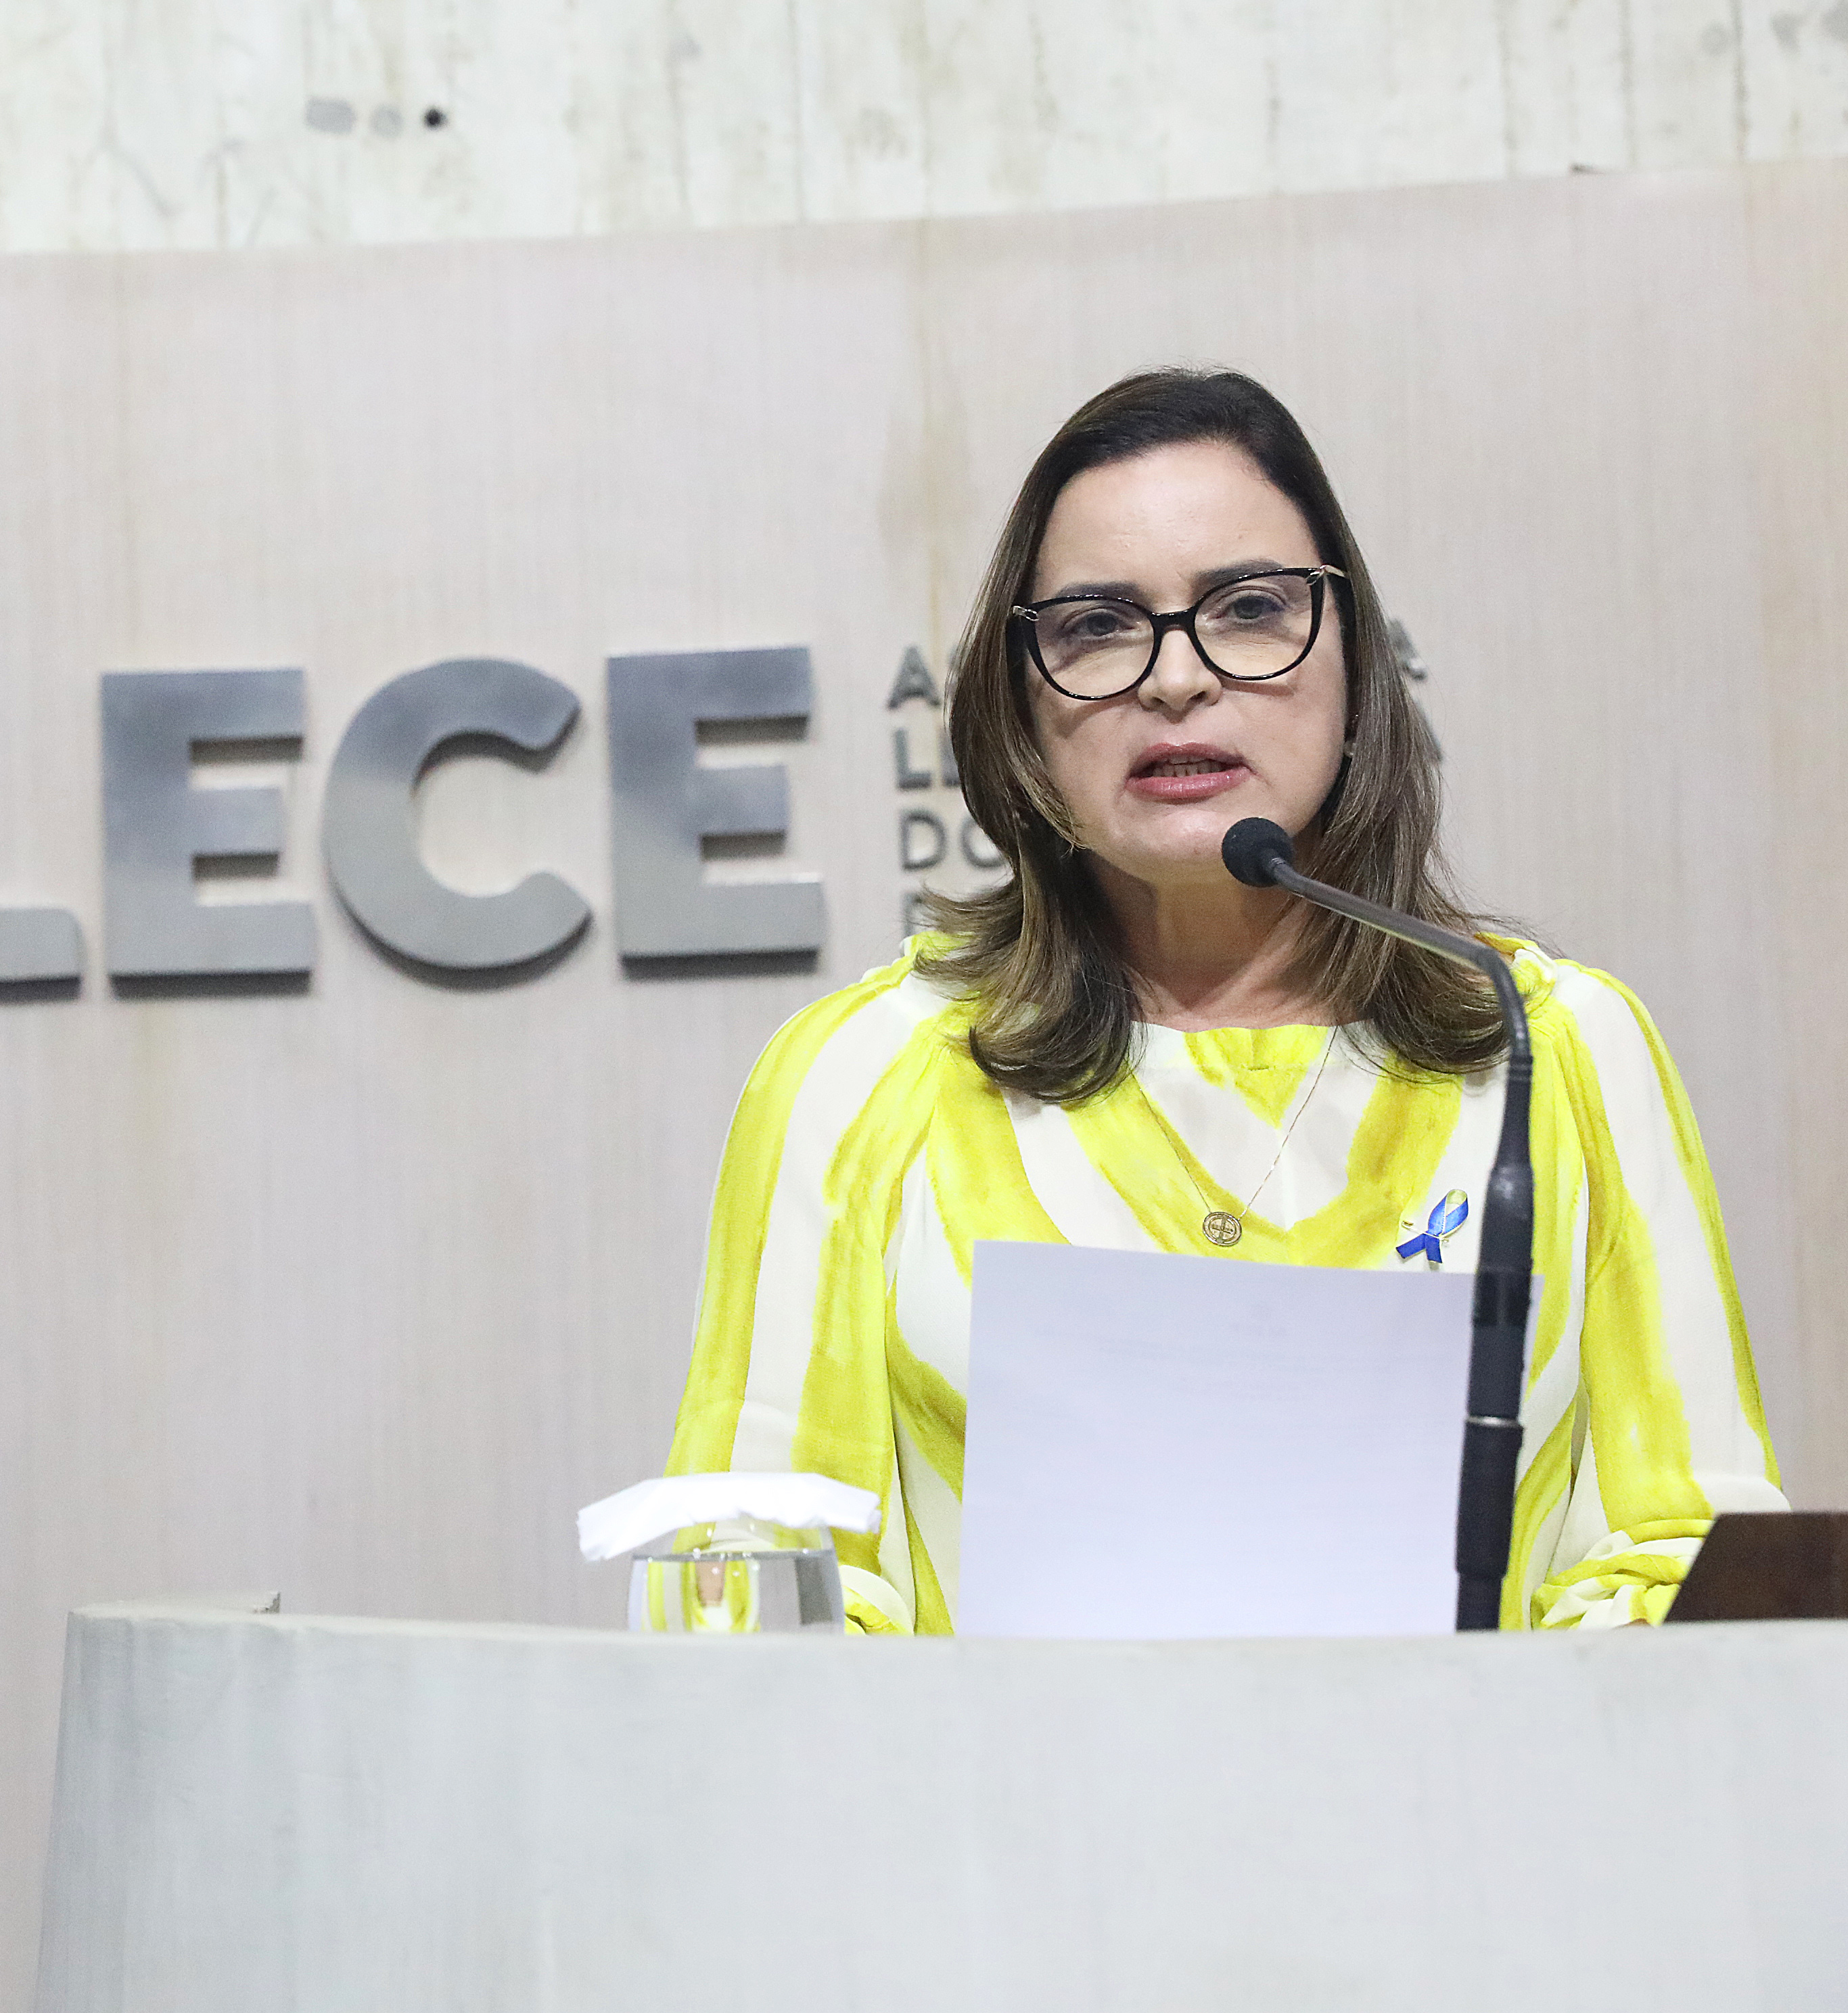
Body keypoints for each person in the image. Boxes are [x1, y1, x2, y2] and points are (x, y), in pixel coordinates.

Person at [662, 368, 1783, 1633]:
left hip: (1486, 1767)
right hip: (994, 1770)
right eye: (1097, 625)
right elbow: (742, 1579)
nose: (1177, 679)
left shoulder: (1554, 1046)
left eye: (1250, 609)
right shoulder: (864, 1071)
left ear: (1355, 666)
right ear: (1021, 705)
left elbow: (1683, 1553)